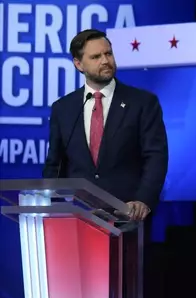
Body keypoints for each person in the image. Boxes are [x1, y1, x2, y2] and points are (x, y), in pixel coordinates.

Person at [43, 29, 169, 224]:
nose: (105, 61)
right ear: (78, 64)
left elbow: (156, 157)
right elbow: (55, 164)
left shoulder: (143, 103)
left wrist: (143, 200)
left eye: (108, 54)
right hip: (77, 217)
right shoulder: (63, 108)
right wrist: (53, 206)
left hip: (128, 217)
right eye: (95, 57)